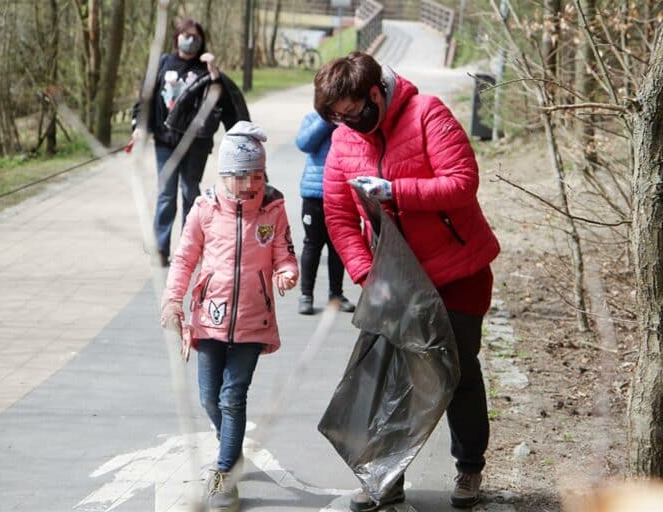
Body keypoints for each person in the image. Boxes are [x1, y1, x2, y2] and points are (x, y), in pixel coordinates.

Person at [313, 52, 501, 511]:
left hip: (456, 272)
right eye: (338, 117)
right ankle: (384, 476)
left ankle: (469, 465)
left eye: (354, 112)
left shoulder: (426, 113)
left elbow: (462, 182)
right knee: (388, 377)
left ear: (375, 93)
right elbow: (338, 216)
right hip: (394, 280)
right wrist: (365, 273)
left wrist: (396, 192)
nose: (349, 123)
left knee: (455, 372)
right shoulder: (343, 141)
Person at [160, 121, 298, 512]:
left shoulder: (273, 210)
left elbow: (284, 252)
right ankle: (231, 448)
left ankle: (224, 473)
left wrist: (287, 272)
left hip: (254, 320)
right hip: (209, 320)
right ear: (224, 175)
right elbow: (184, 259)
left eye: (257, 175)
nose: (250, 184)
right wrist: (172, 301)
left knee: (233, 397)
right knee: (209, 398)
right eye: (241, 176)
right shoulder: (204, 210)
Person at [131, 17, 250, 267]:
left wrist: (214, 72)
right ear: (177, 37)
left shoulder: (206, 69)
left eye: (195, 36)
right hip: (165, 142)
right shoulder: (163, 64)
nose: (190, 40)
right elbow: (146, 98)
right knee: (166, 195)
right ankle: (160, 249)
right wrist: (139, 127)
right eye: (186, 35)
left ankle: (188, 250)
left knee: (190, 193)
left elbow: (224, 103)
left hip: (196, 144)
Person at [295, 111, 356, 315]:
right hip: (314, 193)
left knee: (337, 246)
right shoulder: (313, 119)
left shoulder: (351, 118)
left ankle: (336, 294)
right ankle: (306, 295)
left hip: (340, 193)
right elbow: (304, 143)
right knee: (312, 244)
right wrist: (325, 120)